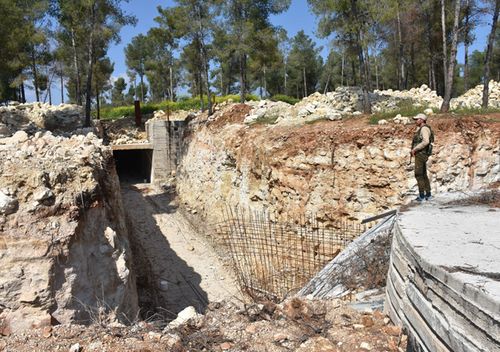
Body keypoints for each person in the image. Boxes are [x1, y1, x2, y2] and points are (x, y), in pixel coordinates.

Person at [410, 113, 434, 201]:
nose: (415, 121)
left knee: (419, 174)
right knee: (423, 174)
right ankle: (428, 194)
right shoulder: (422, 129)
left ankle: (422, 196)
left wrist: (415, 149)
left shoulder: (424, 129)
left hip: (421, 154)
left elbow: (426, 141)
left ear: (422, 120)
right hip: (422, 154)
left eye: (417, 119)